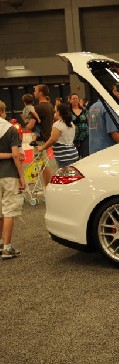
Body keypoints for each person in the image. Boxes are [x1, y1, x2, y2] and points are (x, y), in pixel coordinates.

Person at [0, 100, 26, 259]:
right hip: (9, 174)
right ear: (3, 112)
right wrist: (22, 177)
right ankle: (7, 248)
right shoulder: (10, 129)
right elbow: (16, 155)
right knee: (9, 210)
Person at [26, 84, 54, 185]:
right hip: (46, 138)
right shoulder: (50, 106)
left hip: (39, 140)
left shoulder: (38, 108)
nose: (34, 93)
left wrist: (27, 123)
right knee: (43, 163)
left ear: (41, 93)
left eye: (36, 91)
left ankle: (46, 186)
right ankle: (44, 185)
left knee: (42, 164)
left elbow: (30, 125)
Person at [37, 103, 79, 168]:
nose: (54, 112)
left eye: (55, 111)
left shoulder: (58, 124)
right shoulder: (71, 124)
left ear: (58, 112)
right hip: (73, 153)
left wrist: (42, 148)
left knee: (64, 176)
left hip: (64, 156)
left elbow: (53, 140)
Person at [69, 93, 89, 158]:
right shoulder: (68, 111)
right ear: (70, 101)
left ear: (78, 100)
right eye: (73, 99)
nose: (75, 100)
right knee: (74, 156)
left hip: (84, 134)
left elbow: (89, 120)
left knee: (85, 154)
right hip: (72, 136)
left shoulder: (84, 110)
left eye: (76, 98)